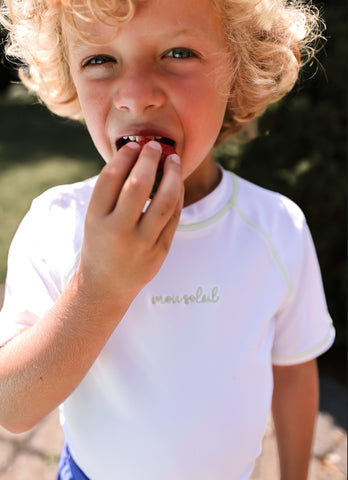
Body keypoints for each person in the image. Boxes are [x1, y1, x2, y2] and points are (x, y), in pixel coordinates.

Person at [0, 0, 335, 479]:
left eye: (178, 52)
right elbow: (12, 408)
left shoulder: (276, 228)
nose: (135, 96)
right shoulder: (56, 225)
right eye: (99, 60)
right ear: (70, 78)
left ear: (239, 71)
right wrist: (100, 287)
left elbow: (295, 370)